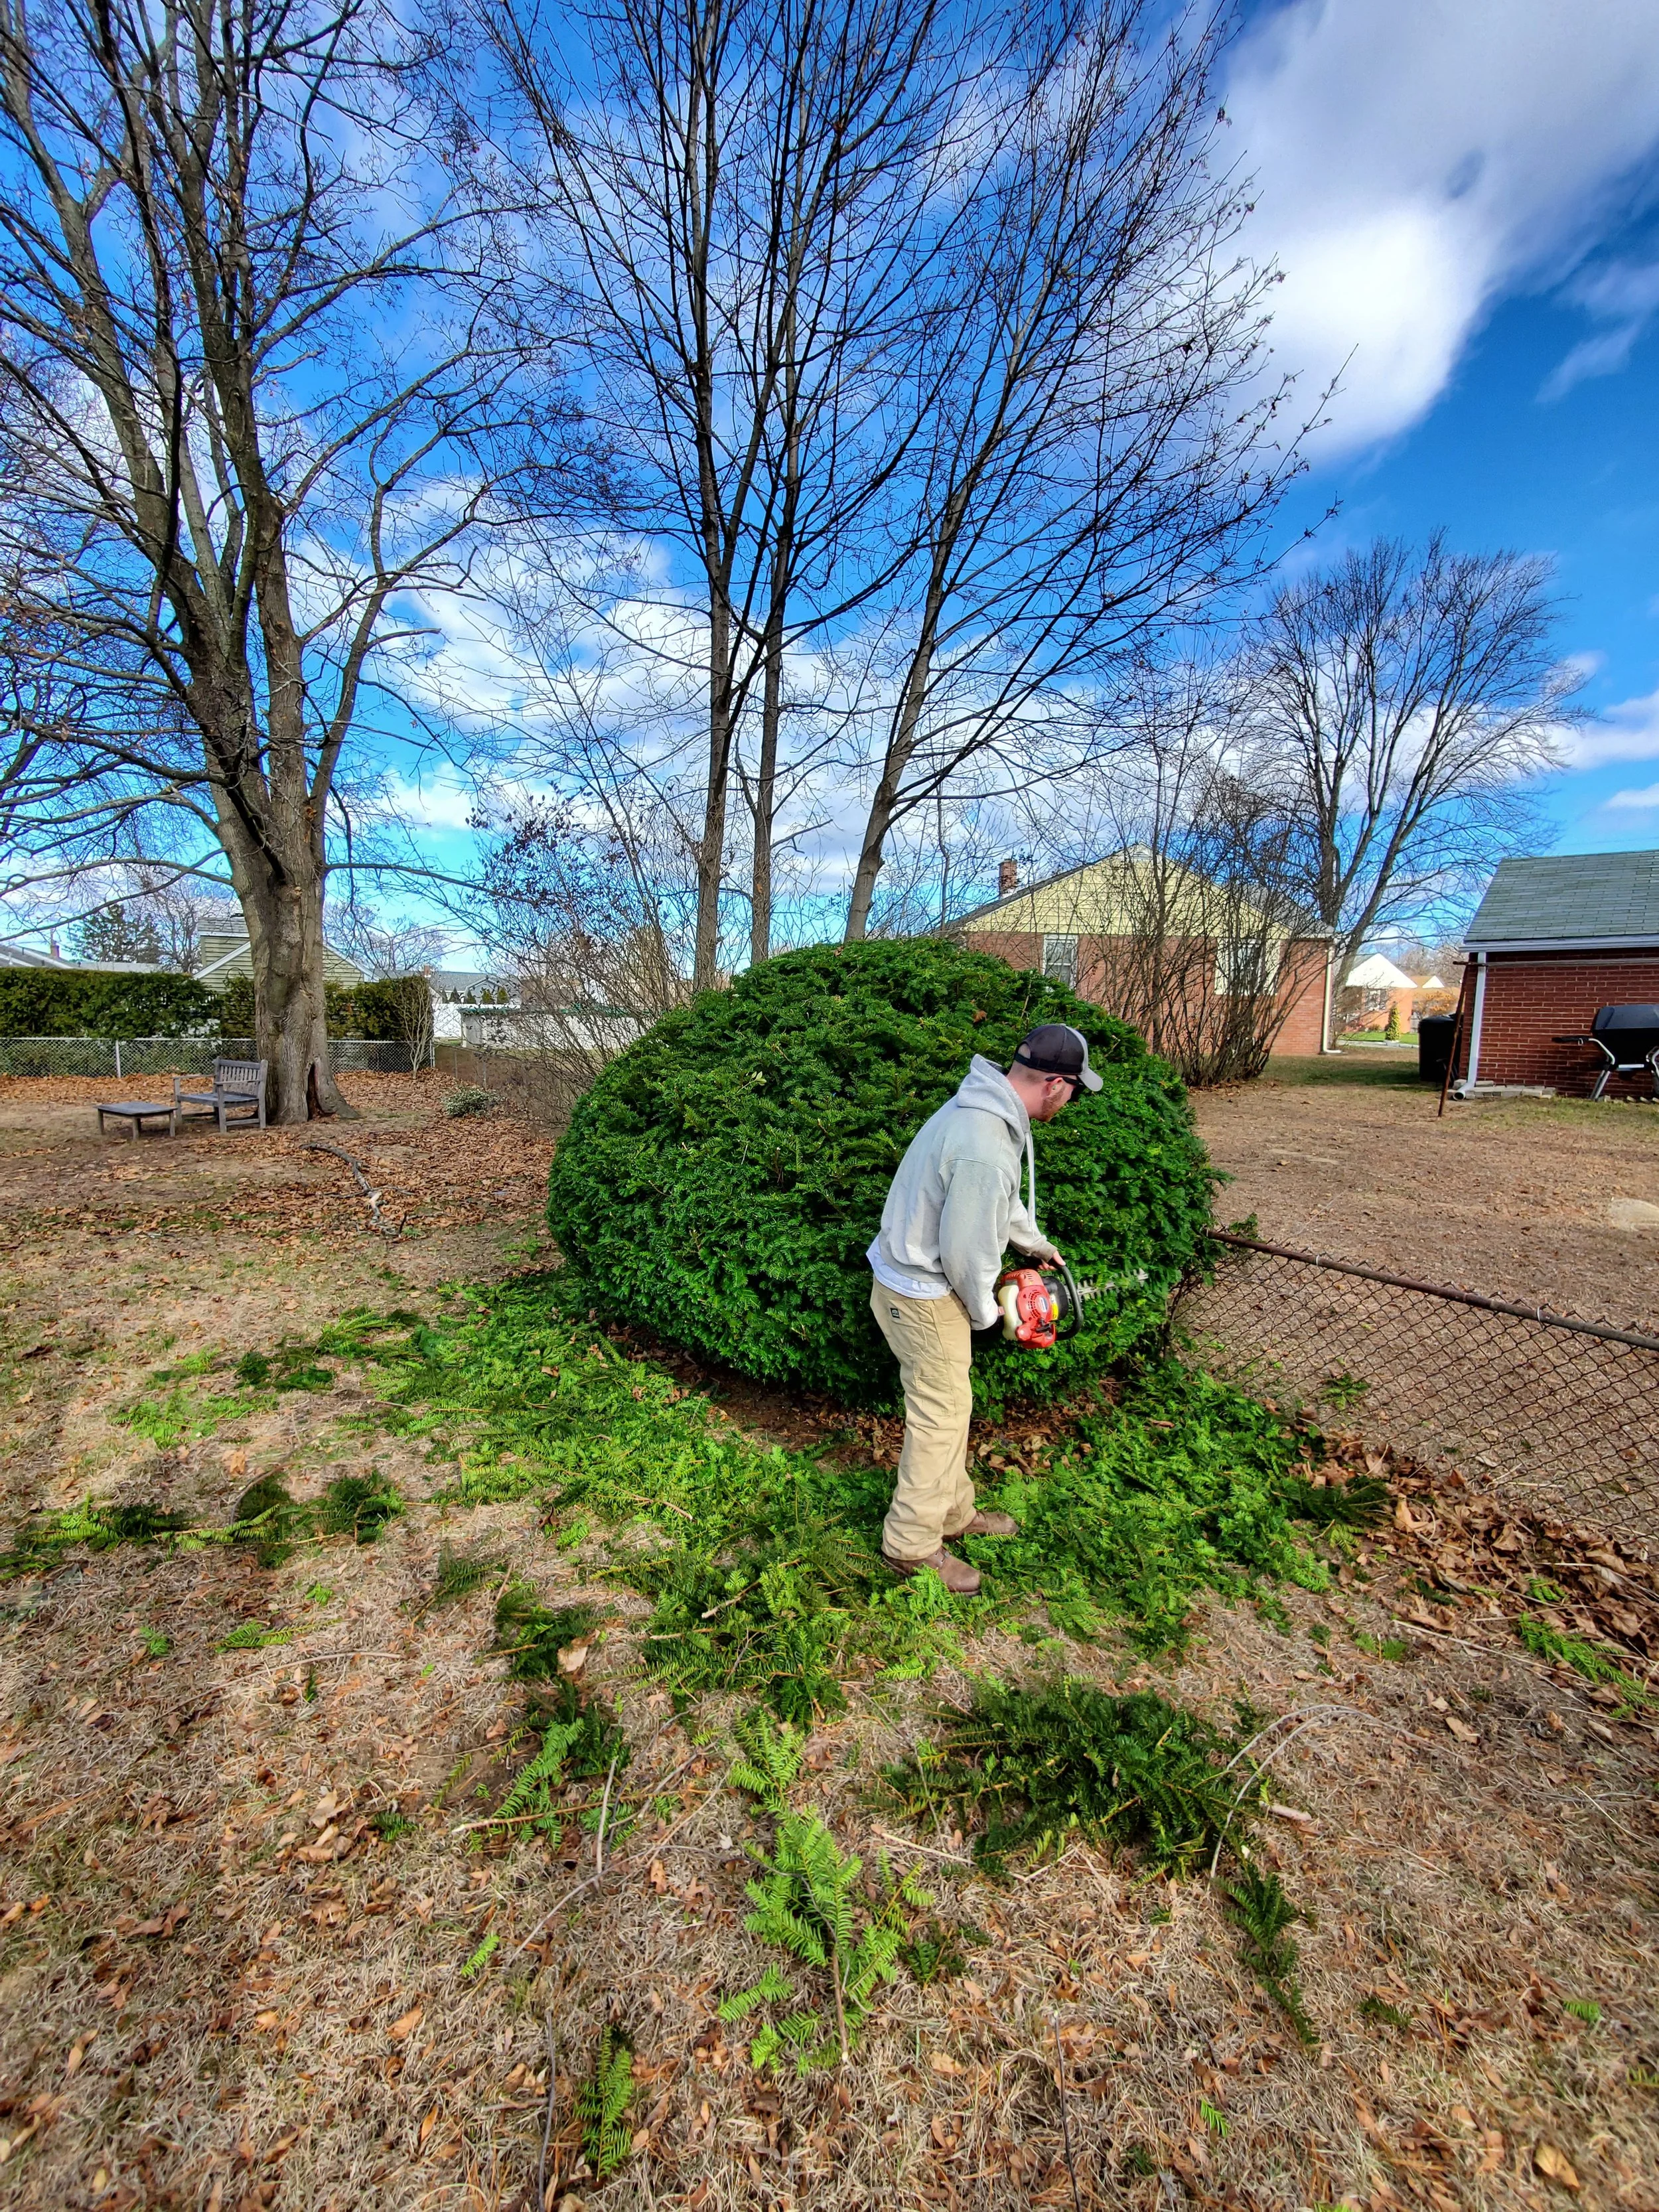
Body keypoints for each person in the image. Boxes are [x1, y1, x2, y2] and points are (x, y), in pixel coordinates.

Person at [867, 1022, 1101, 1593]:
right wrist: (987, 1313)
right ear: (1053, 1084)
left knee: (953, 1405)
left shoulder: (984, 1111)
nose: (1072, 1099)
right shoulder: (987, 1141)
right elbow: (968, 1252)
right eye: (1073, 1088)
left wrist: (1035, 1243)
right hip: (922, 1293)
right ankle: (910, 1544)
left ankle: (952, 1512)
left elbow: (1000, 1202)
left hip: (916, 1283)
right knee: (940, 1415)